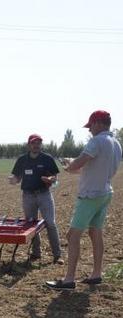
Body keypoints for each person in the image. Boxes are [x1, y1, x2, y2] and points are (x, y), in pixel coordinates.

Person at [46, 110, 122, 290]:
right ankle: (96, 274)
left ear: (98, 123)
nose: (89, 130)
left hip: (89, 196)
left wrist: (68, 166)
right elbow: (93, 166)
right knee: (95, 233)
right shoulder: (116, 143)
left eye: (91, 126)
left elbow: (79, 164)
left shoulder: (96, 141)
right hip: (104, 193)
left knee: (72, 235)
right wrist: (74, 164)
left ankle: (68, 280)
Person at [8, 134, 63, 264]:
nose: (36, 145)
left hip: (44, 194)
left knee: (50, 223)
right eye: (33, 143)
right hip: (27, 196)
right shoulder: (22, 160)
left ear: (41, 145)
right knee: (32, 224)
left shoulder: (47, 159)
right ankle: (36, 253)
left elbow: (55, 179)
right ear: (29, 145)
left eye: (38, 143)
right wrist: (12, 180)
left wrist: (51, 179)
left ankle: (57, 255)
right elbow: (17, 178)